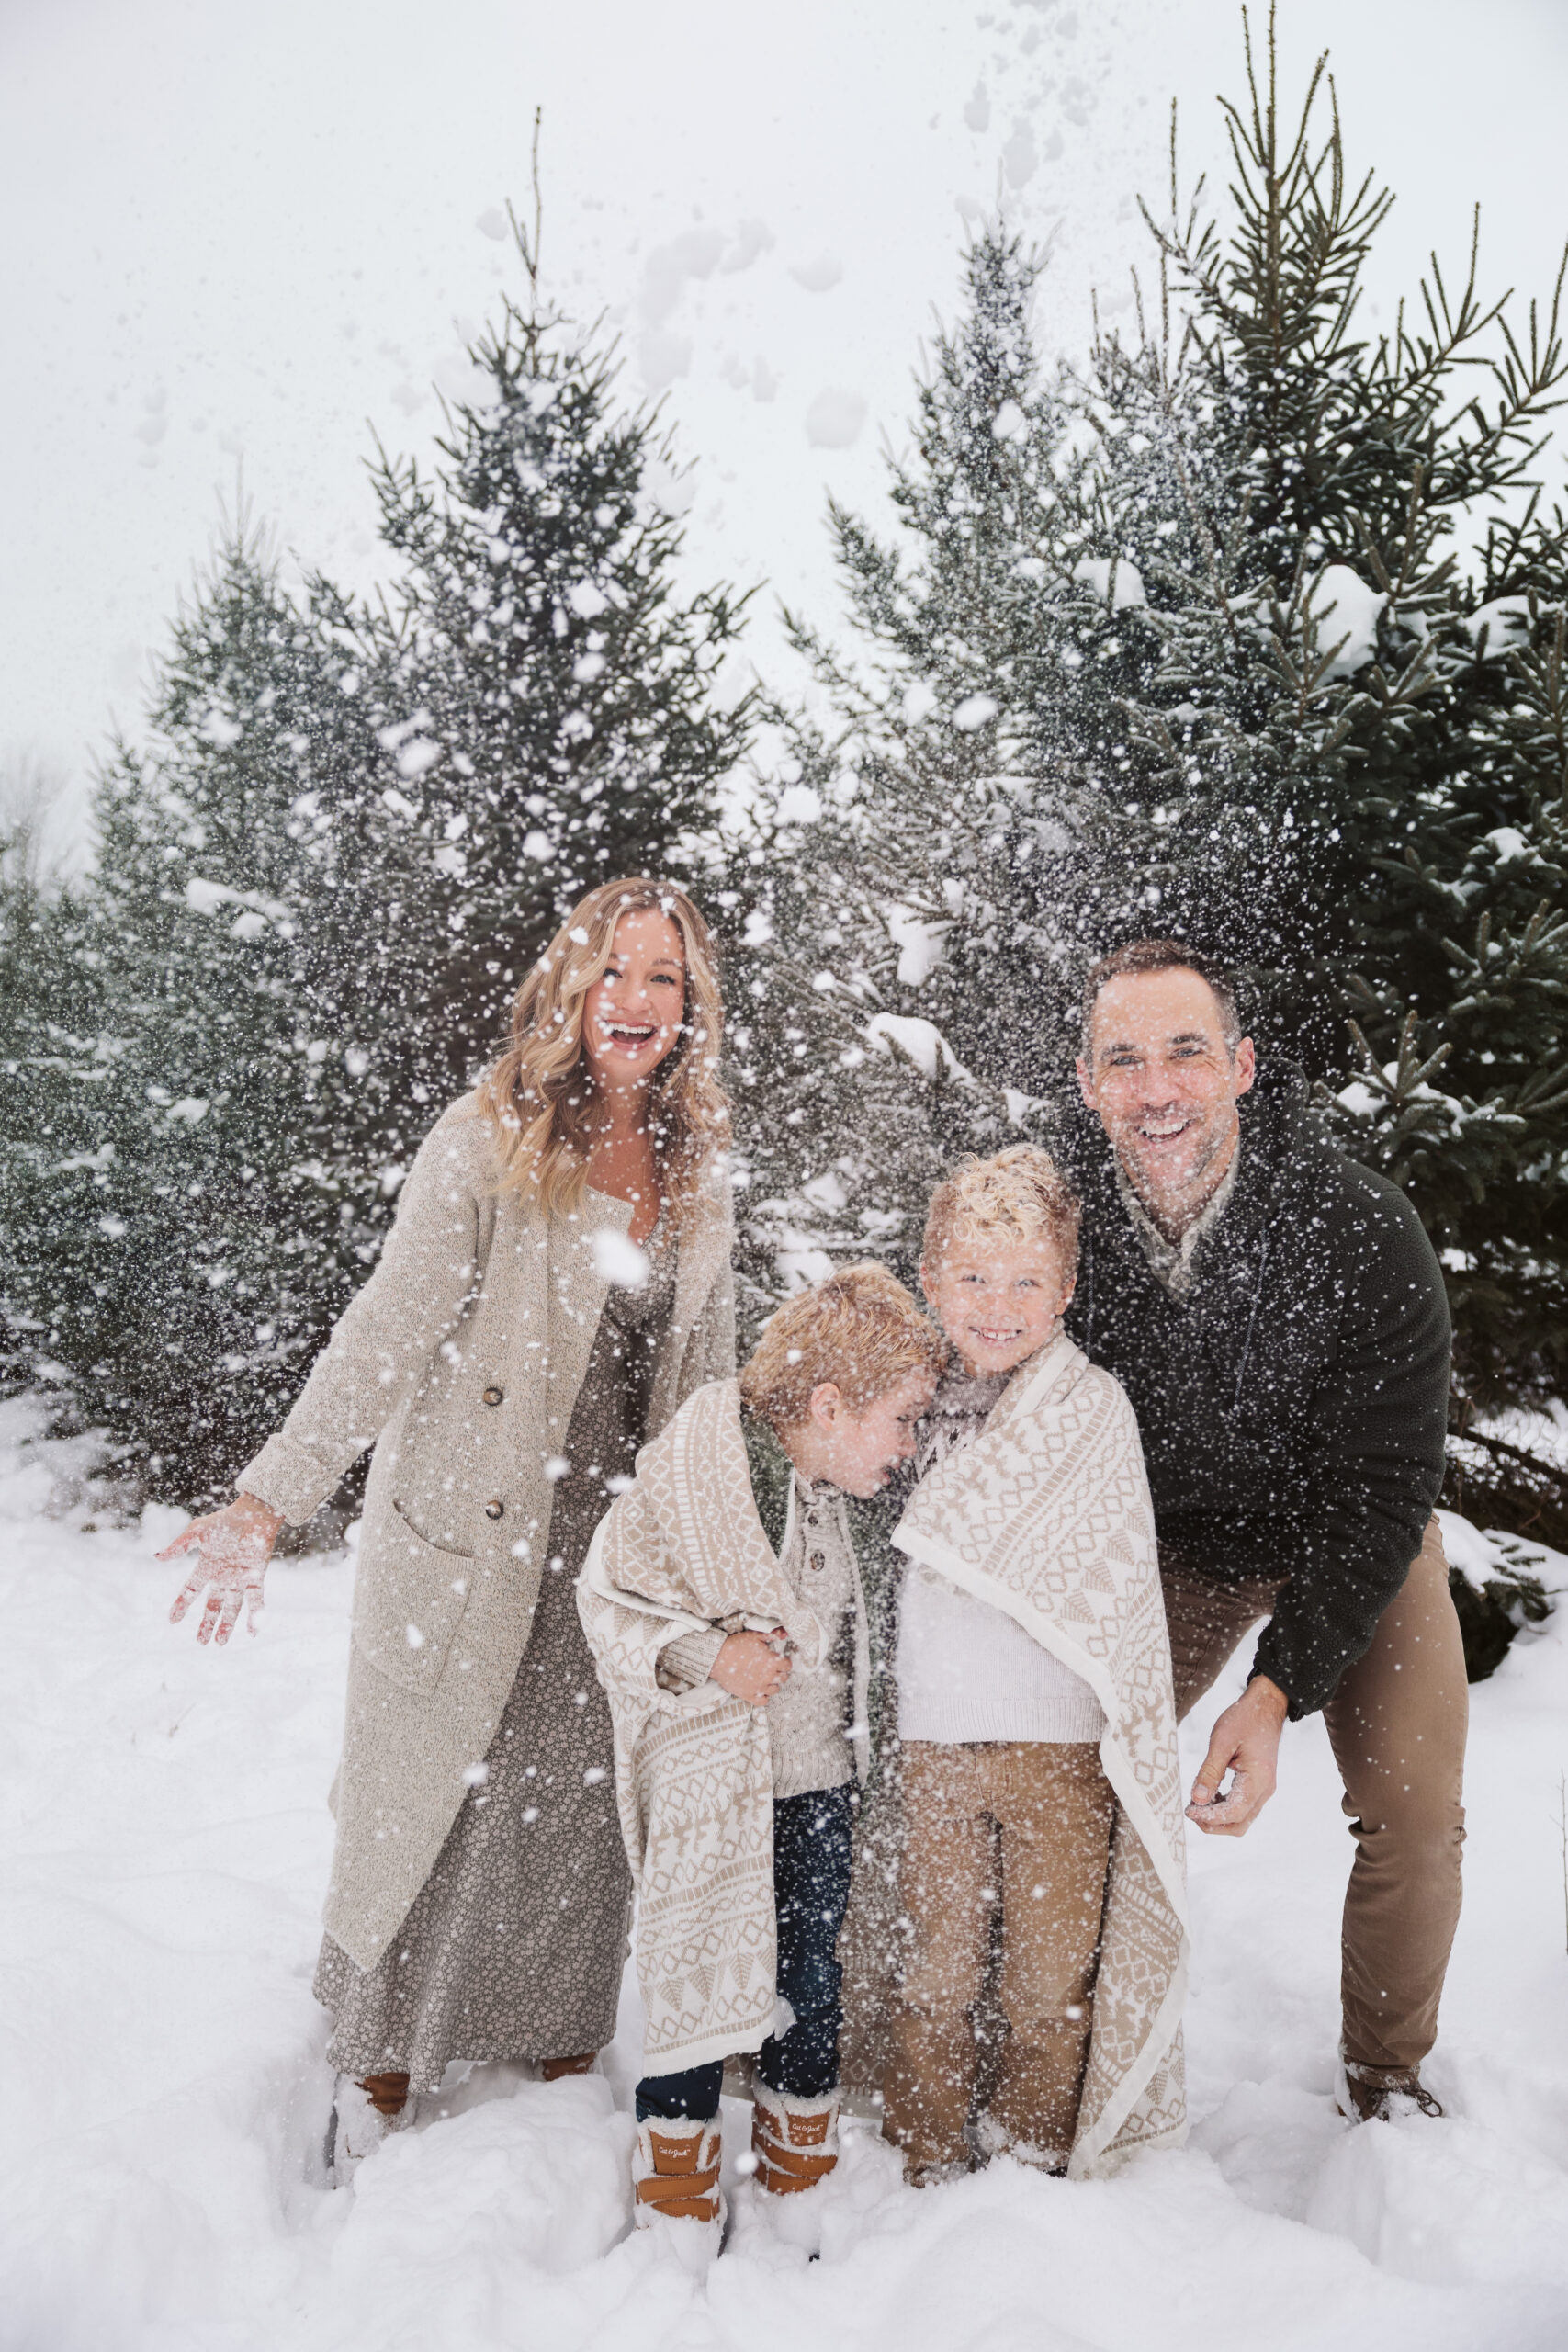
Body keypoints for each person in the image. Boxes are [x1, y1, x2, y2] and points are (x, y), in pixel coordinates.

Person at [162, 876, 737, 2173]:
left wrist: (715, 1557)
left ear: (691, 1007)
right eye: (612, 973)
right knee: (427, 1808)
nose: (633, 1002)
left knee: (578, 1814)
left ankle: (551, 2085)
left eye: (662, 979)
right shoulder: (487, 1137)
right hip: (473, 1529)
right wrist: (269, 1497)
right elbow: (383, 1330)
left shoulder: (700, 1167)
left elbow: (702, 1381)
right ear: (567, 987)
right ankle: (370, 2083)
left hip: (609, 1546)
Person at [1064, 937, 1460, 2121]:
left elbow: (1387, 1486)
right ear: (1089, 1085)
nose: (1158, 1087)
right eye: (1125, 1059)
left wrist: (1279, 1686)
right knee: (1069, 1772)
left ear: (1239, 1066)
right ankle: (1047, 2037)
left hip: (1347, 1530)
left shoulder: (1358, 1229)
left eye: (1186, 1050)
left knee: (1413, 1809)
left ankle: (1386, 2078)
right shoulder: (1061, 1232)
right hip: (1170, 1545)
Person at [577, 1264, 945, 2262]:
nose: (910, 1443)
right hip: (714, 1787)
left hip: (819, 1780)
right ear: (829, 1406)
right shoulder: (695, 1483)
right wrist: (709, 1654)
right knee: (695, 1965)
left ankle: (799, 2169)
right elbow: (607, 1596)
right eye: (902, 1419)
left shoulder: (853, 1498)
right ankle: (678, 2170)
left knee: (809, 1972)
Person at [839, 1149, 1187, 2183]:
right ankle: (927, 2153)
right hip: (937, 1744)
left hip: (1063, 1751)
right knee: (935, 1972)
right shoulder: (903, 1398)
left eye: (1026, 1282)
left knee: (1048, 1981)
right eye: (974, 1280)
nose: (999, 1307)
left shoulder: (1090, 1409)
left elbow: (1110, 1580)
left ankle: (1032, 2155)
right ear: (931, 1278)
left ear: (1066, 1290)